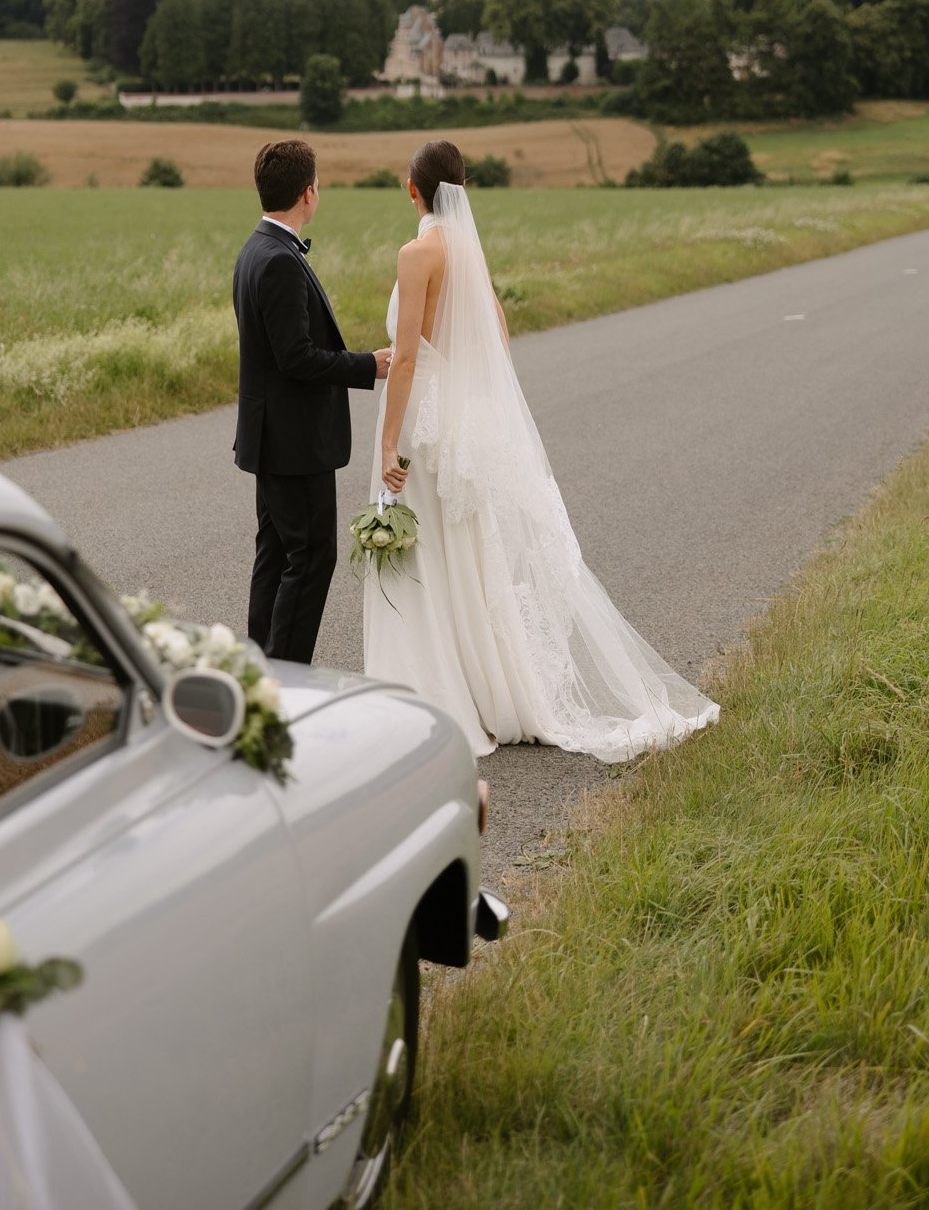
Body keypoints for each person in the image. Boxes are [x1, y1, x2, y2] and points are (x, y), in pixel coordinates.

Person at [365, 138, 719, 760]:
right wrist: (469, 397)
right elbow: (497, 334)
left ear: (411, 188)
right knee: (467, 551)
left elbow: (410, 355)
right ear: (461, 186)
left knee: (426, 553)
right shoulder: (468, 253)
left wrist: (390, 439)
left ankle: (437, 690)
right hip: (462, 422)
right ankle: (492, 688)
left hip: (424, 419)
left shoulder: (416, 253)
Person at [233, 139, 392, 664]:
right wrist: (369, 364)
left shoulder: (255, 248)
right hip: (295, 442)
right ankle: (287, 680)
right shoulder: (277, 260)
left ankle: (260, 669)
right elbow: (295, 358)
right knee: (312, 558)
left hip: (272, 436)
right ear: (308, 193)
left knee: (276, 555)